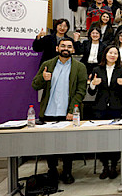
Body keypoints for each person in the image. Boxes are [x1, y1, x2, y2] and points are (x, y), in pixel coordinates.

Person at [31, 37, 87, 184]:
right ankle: (52, 171)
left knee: (68, 144)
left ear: (73, 50)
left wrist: (72, 111)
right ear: (57, 48)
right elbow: (35, 85)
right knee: (49, 144)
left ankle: (67, 171)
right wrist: (43, 78)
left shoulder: (80, 67)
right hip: (49, 112)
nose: (66, 49)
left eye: (69, 46)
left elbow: (81, 91)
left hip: (67, 113)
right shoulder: (47, 64)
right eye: (63, 46)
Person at [87, 46, 122, 179]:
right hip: (100, 108)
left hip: (116, 107)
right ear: (105, 55)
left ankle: (114, 166)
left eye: (115, 53)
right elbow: (91, 92)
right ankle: (104, 166)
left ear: (118, 56)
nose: (113, 55)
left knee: (116, 138)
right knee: (102, 139)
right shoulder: (96, 70)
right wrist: (93, 84)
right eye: (110, 53)